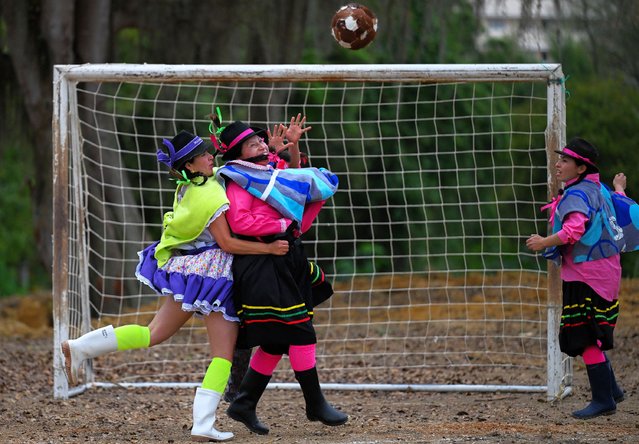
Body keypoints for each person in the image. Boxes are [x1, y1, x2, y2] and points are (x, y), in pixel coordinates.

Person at [61, 130, 289, 442]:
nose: (212, 157)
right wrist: (269, 249)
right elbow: (227, 243)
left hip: (189, 271)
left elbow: (232, 168)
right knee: (222, 354)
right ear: (192, 165)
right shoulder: (210, 195)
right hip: (212, 277)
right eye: (205, 154)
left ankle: (81, 347)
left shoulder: (188, 185)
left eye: (211, 151)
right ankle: (203, 423)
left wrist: (271, 152)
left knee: (153, 333)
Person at [210, 117, 348, 435]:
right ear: (237, 154)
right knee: (300, 332)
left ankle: (244, 402)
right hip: (262, 265)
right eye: (251, 142)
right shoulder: (237, 180)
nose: (260, 142)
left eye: (260, 139)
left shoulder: (265, 172)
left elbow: (295, 185)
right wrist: (280, 226)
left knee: (276, 341)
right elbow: (240, 223)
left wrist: (294, 145)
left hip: (287, 259)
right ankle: (315, 403)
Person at [525, 137, 627, 419]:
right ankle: (613, 390)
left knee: (583, 337)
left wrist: (543, 242)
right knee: (593, 331)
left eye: (565, 161)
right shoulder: (599, 188)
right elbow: (621, 208)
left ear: (581, 168)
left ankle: (604, 400)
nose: (558, 164)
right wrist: (619, 188)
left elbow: (573, 231)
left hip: (586, 274)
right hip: (607, 271)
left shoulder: (577, 195)